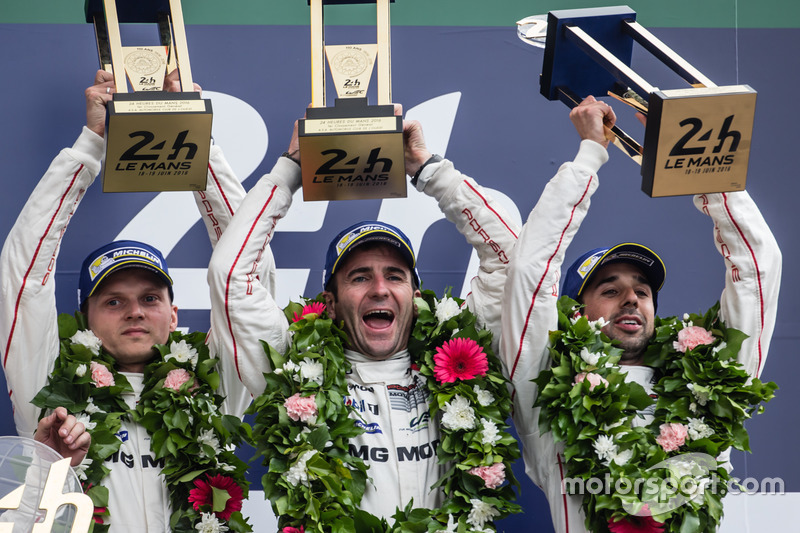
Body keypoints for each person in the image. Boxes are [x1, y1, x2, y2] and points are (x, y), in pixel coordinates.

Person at [206, 116, 520, 520]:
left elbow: (513, 262)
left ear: (416, 297)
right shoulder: (289, 367)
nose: (379, 289)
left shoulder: (462, 361)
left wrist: (431, 171)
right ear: (330, 303)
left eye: (395, 275)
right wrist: (289, 170)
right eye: (359, 277)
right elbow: (231, 276)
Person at [499, 96, 781, 532]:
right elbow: (530, 271)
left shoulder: (712, 387)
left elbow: (758, 270)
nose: (631, 299)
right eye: (610, 290)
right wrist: (590, 154)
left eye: (643, 291)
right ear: (575, 314)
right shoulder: (544, 390)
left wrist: (702, 164)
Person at [0, 70, 251, 532]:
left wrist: (196, 143)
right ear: (86, 321)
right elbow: (24, 278)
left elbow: (248, 276)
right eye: (113, 302)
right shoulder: (51, 396)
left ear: (174, 314)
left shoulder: (216, 387)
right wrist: (90, 144)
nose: (135, 310)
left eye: (151, 298)